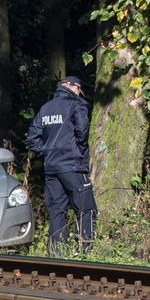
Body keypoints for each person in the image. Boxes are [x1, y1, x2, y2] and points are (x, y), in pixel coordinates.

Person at [26, 76, 98, 255]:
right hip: (72, 165)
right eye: (79, 90)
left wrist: (47, 151)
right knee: (86, 208)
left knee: (57, 209)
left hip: (51, 167)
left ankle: (57, 252)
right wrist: (78, 151)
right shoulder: (77, 105)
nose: (79, 94)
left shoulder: (46, 108)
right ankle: (85, 250)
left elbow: (32, 138)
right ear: (74, 87)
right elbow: (82, 131)